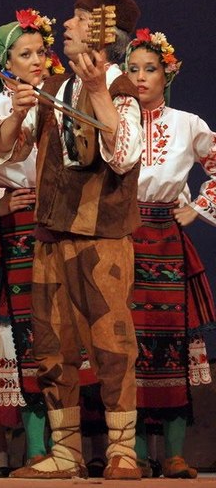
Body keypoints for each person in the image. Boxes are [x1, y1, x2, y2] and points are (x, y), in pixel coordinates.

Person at [0, 0, 144, 480]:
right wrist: (17, 114)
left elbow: (123, 156)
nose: (67, 25)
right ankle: (65, 451)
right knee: (53, 346)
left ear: (102, 33)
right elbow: (8, 153)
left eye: (78, 19)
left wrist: (98, 91)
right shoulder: (55, 88)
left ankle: (122, 451)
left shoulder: (121, 90)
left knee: (112, 345)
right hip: (53, 234)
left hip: (102, 239)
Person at [0, 8, 81, 477]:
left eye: (40, 52)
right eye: (24, 54)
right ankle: (27, 448)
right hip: (10, 232)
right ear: (3, 63)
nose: (36, 60)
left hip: (56, 226)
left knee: (57, 333)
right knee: (15, 339)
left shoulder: (64, 101)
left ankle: (64, 447)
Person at [124, 28, 216, 479]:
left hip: (166, 239)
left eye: (150, 69)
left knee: (172, 345)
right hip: (121, 238)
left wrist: (198, 207)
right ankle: (135, 453)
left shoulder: (186, 123)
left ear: (168, 73)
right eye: (133, 69)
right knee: (128, 345)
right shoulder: (113, 121)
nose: (141, 77)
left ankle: (175, 453)